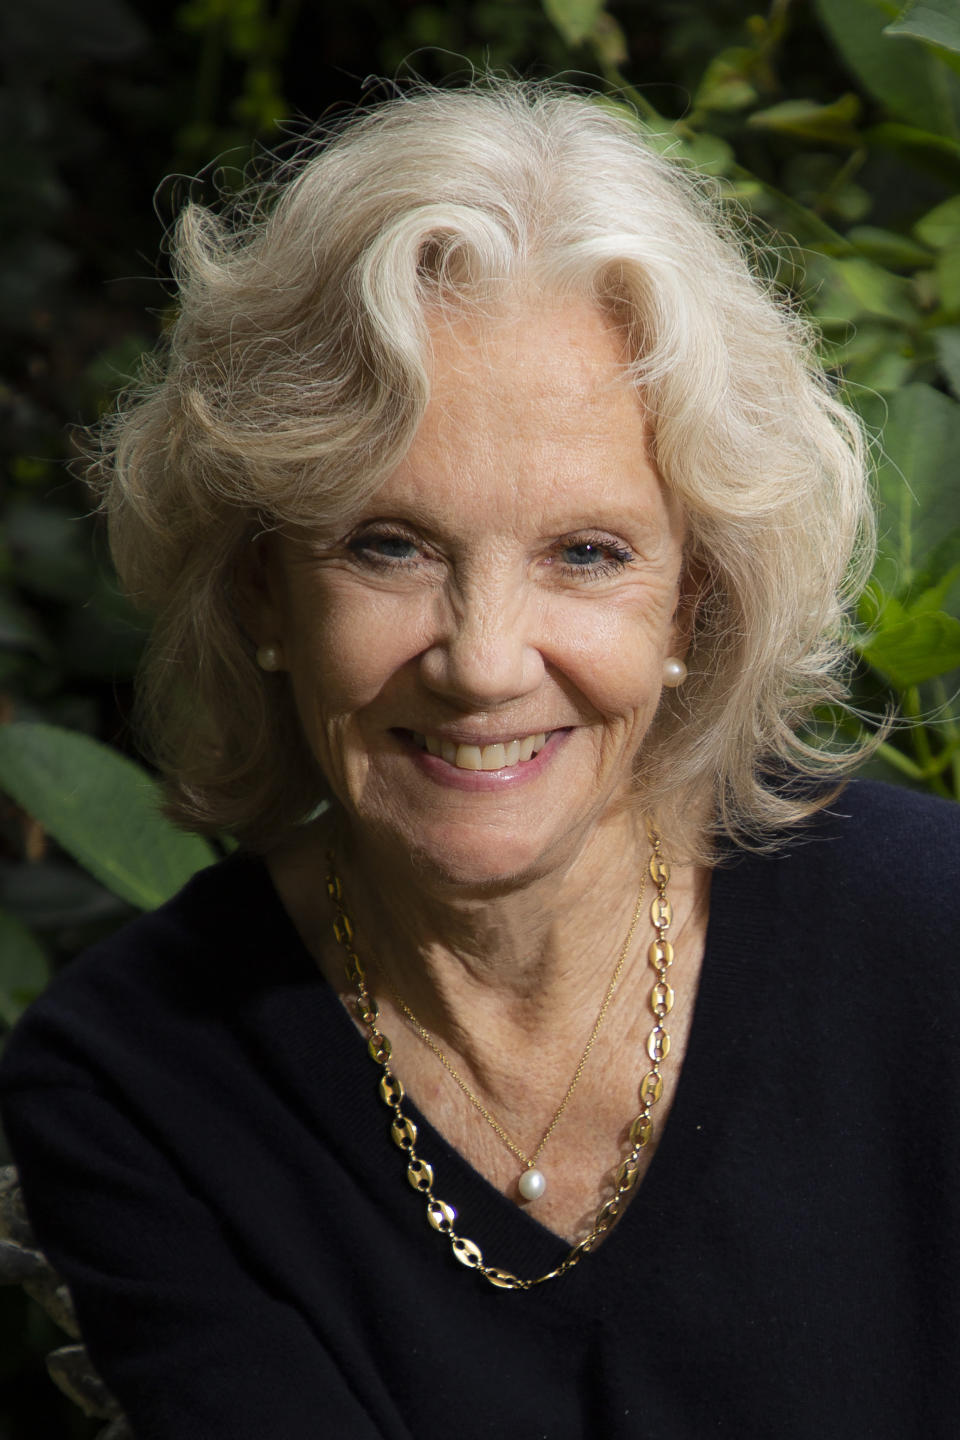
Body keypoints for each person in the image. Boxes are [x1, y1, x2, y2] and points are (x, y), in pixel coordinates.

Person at [1, 81, 958, 1440]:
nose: (483, 660)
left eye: (587, 553)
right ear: (265, 592)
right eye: (388, 545)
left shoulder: (935, 943)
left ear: (696, 603)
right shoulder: (141, 1083)